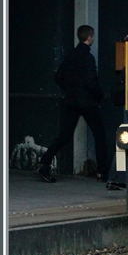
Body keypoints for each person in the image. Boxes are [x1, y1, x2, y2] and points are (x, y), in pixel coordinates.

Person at [36, 25, 112, 186]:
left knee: (64, 135)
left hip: (71, 101)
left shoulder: (70, 55)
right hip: (88, 103)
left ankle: (44, 163)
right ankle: (102, 172)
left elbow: (58, 77)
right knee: (99, 134)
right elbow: (91, 82)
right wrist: (101, 95)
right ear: (90, 37)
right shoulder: (88, 58)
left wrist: (70, 89)